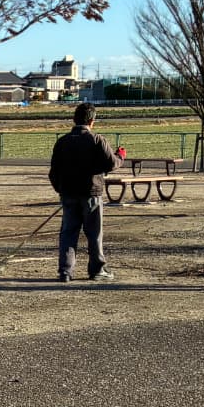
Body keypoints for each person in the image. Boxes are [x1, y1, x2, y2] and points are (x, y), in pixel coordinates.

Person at [47, 102, 120, 282]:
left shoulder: (62, 142)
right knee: (94, 233)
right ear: (92, 121)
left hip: (69, 194)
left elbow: (53, 172)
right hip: (91, 193)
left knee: (68, 233)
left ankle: (65, 271)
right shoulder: (96, 140)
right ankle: (97, 269)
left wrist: (61, 189)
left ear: (74, 119)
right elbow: (112, 163)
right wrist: (121, 156)